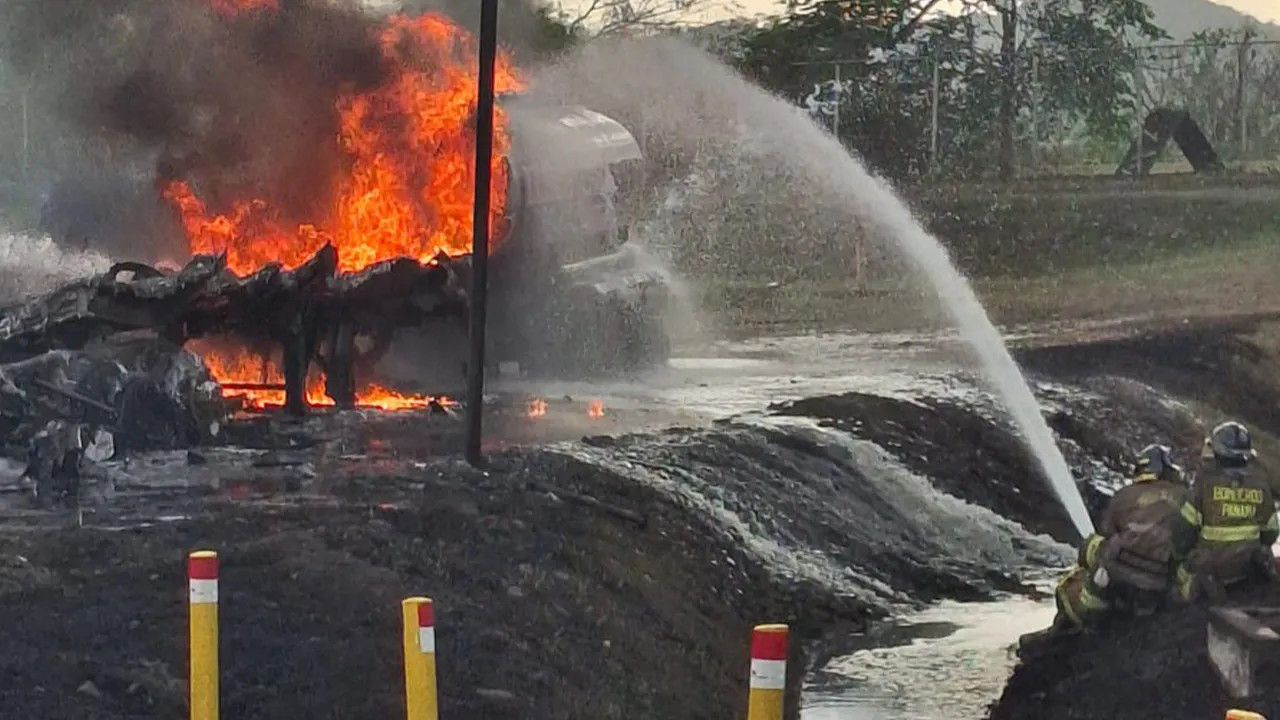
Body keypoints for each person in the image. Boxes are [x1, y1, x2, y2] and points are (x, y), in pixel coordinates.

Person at [1047, 444, 1197, 636]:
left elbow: (1107, 533)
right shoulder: (1185, 496)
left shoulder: (1123, 495)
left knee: (1092, 544)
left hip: (1117, 577)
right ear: (1167, 469)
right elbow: (1189, 537)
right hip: (1159, 584)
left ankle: (1092, 608)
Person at [1178, 421, 1280, 602]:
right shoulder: (1260, 484)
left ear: (1217, 451)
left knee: (1179, 579)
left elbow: (1184, 532)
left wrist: (1181, 556)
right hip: (1247, 568)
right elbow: (1271, 532)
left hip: (1210, 567)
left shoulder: (1204, 483)